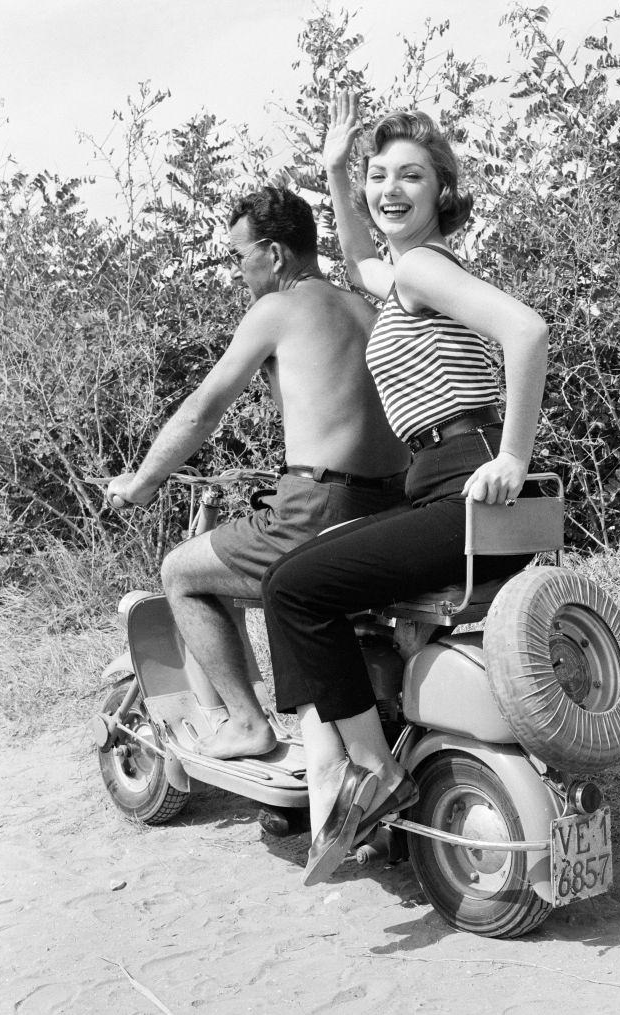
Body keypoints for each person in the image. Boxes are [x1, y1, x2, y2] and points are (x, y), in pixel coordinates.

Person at [261, 91, 549, 884]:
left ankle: (364, 767)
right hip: (443, 484)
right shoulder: (405, 276)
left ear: (441, 191)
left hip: (465, 483)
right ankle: (335, 763)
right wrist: (333, 169)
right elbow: (359, 263)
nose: (390, 189)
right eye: (378, 176)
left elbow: (527, 332)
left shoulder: (422, 266)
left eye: (410, 177)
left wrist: (515, 455)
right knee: (314, 570)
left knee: (291, 587)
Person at [106, 185, 411, 761]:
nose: (237, 270)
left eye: (238, 256)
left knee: (181, 573)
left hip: (316, 508)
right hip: (390, 508)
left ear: (273, 254)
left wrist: (141, 482)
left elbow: (202, 410)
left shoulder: (276, 309)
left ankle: (246, 723)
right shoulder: (366, 309)